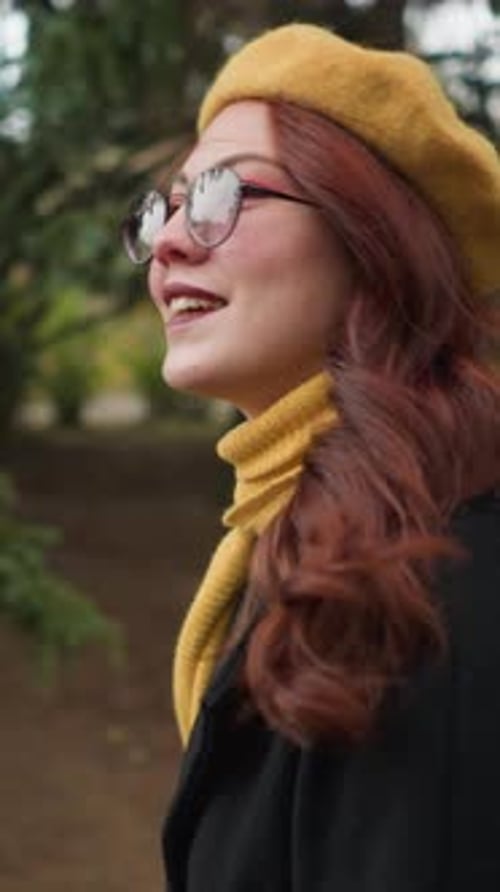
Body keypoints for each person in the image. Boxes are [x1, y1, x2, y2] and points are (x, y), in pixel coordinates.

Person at [121, 23, 500, 892]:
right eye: (168, 205)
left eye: (222, 195)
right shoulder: (307, 538)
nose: (172, 241)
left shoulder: (444, 595)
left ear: (375, 246)